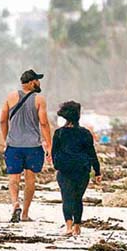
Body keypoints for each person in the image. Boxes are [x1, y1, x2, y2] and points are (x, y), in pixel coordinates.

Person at [0, 69, 52, 223]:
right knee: (30, 179)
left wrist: (6, 139)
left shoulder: (10, 97)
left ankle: (15, 203)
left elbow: (3, 120)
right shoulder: (39, 100)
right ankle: (25, 214)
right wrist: (49, 145)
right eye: (37, 80)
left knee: (13, 177)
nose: (39, 82)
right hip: (33, 146)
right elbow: (43, 123)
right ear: (31, 82)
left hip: (13, 145)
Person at [51, 101, 101, 236]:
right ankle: (77, 226)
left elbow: (53, 152)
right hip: (82, 170)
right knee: (77, 198)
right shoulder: (85, 133)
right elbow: (91, 153)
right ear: (78, 116)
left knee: (67, 197)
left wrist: (57, 165)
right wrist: (97, 171)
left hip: (64, 170)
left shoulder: (59, 133)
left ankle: (68, 226)